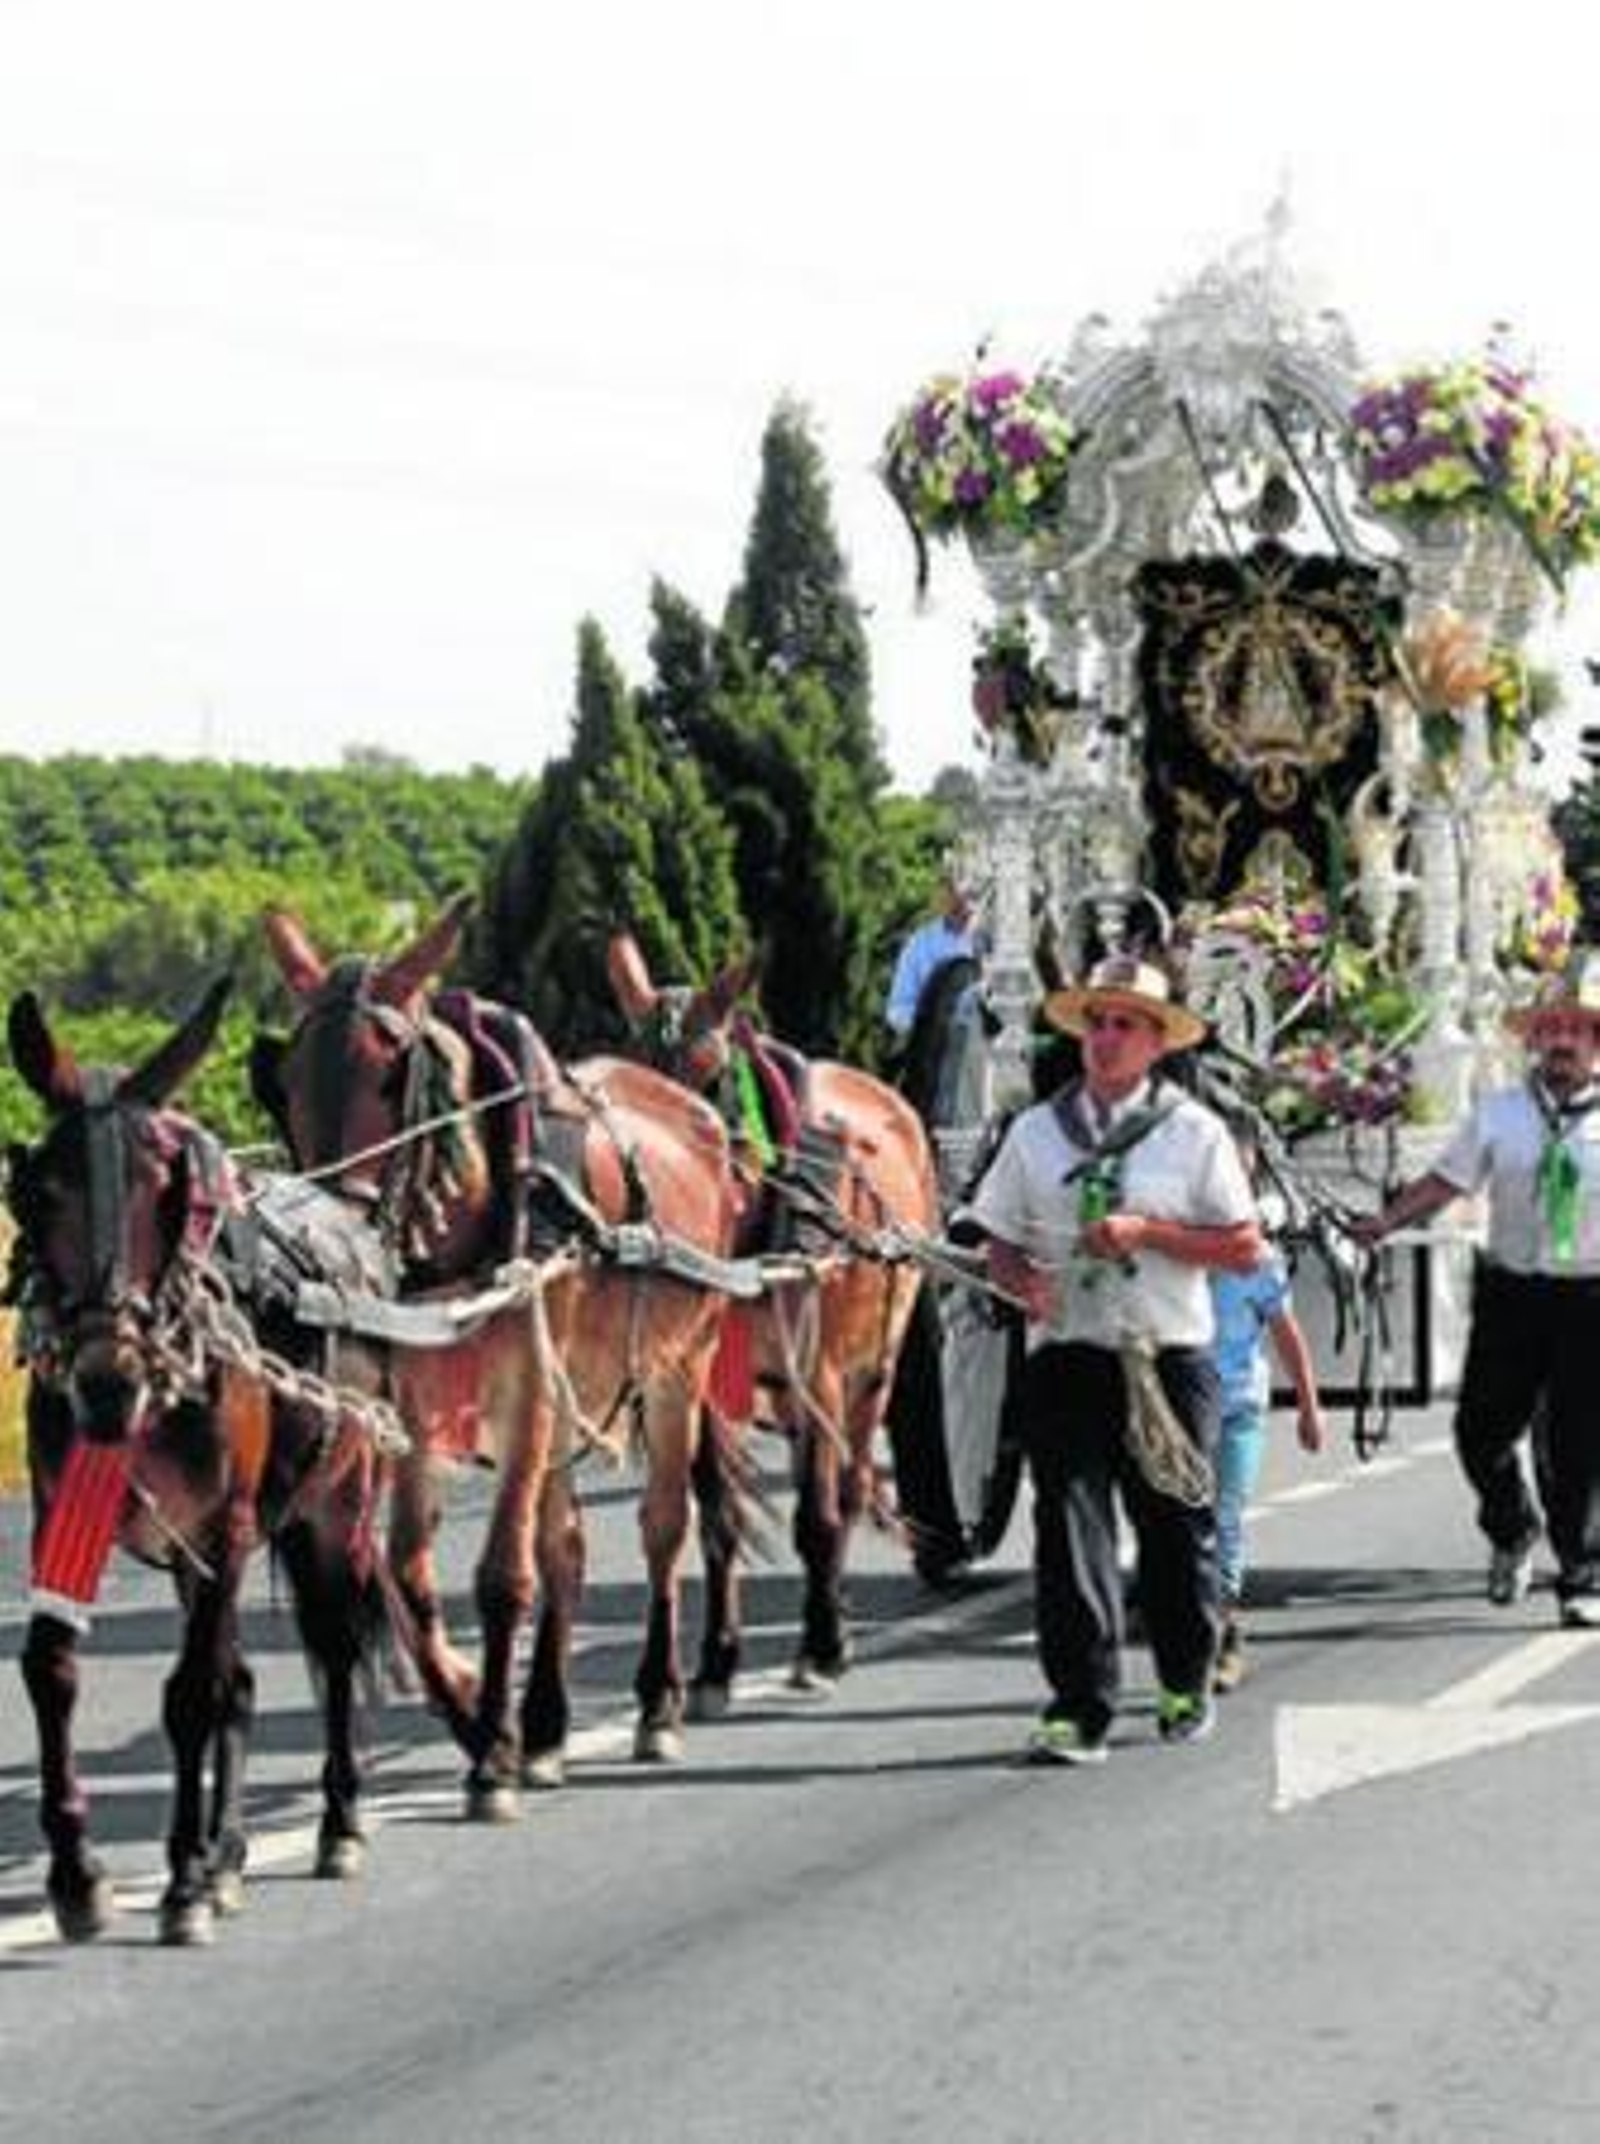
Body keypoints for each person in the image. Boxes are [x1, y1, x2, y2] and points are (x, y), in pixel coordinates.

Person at [968, 954, 1263, 1764]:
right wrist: (1018, 1279)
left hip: (1165, 1357)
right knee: (1067, 1527)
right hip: (1069, 1353)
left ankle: (1182, 1679)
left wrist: (1149, 1234)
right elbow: (997, 1233)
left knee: (1173, 1528)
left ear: (1157, 1042)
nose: (1105, 1037)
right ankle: (1080, 1703)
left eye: (1123, 1024)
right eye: (1096, 1022)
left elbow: (1243, 1248)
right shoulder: (1034, 1132)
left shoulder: (1193, 1132)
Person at [1352, 960, 1600, 1626]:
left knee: (1579, 1446)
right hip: (1513, 1291)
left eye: (1577, 1030)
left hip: (1590, 1298)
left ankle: (1580, 1572)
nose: (1562, 1042)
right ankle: (1513, 1525)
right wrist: (1385, 1221)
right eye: (1551, 1029)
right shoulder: (1500, 1113)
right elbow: (1446, 1182)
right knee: (1479, 1432)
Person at [1208, 1121, 1327, 1692]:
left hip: (1235, 1407)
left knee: (1224, 1518)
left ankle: (1224, 1631)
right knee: (1178, 1524)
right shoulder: (1165, 1243)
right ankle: (1191, 1620)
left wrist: (1308, 1405)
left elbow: (1285, 1332)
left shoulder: (1256, 1257)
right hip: (1171, 1411)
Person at [884, 872, 982, 1041]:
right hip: (939, 1056)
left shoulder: (999, 941)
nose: (961, 903)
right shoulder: (919, 945)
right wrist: (931, 1023)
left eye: (970, 894)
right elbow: (897, 1010)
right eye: (953, 893)